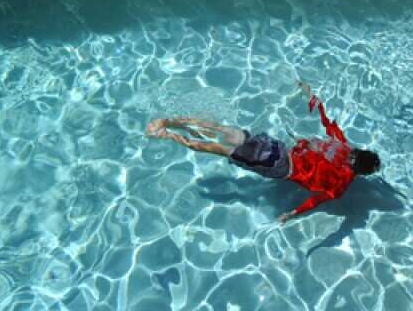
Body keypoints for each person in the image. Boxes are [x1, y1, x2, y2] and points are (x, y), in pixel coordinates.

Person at [145, 85, 381, 223]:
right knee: (216, 148)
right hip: (277, 165)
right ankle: (166, 134)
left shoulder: (343, 144)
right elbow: (315, 201)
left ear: (358, 154)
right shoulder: (339, 185)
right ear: (359, 172)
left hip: (276, 147)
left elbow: (325, 119)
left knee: (224, 132)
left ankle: (171, 122)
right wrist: (292, 214)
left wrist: (311, 96)